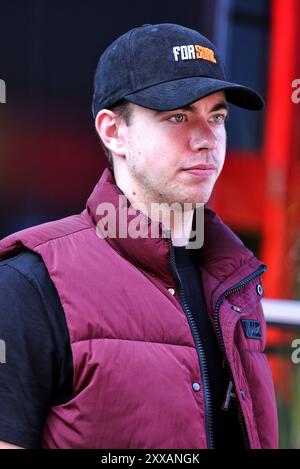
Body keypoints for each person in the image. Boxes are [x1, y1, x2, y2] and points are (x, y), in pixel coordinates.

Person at [0, 23, 278, 449]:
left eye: (217, 116)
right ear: (114, 131)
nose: (207, 139)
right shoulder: (29, 284)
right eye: (178, 116)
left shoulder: (235, 281)